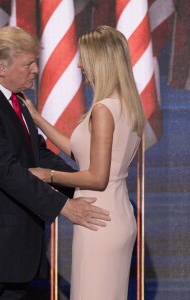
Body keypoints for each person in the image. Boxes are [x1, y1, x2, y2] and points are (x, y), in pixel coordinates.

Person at [0, 26, 111, 300]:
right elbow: (7, 171)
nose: (36, 70)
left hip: (9, 256)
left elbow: (37, 155)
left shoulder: (15, 102)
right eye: (28, 64)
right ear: (1, 68)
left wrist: (84, 186)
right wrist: (65, 207)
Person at [24, 25, 146, 300]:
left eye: (84, 57)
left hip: (98, 219)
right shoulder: (125, 104)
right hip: (115, 214)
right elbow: (79, 152)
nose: (79, 64)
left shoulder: (103, 110)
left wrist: (48, 174)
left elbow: (97, 176)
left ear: (100, 61)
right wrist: (38, 118)